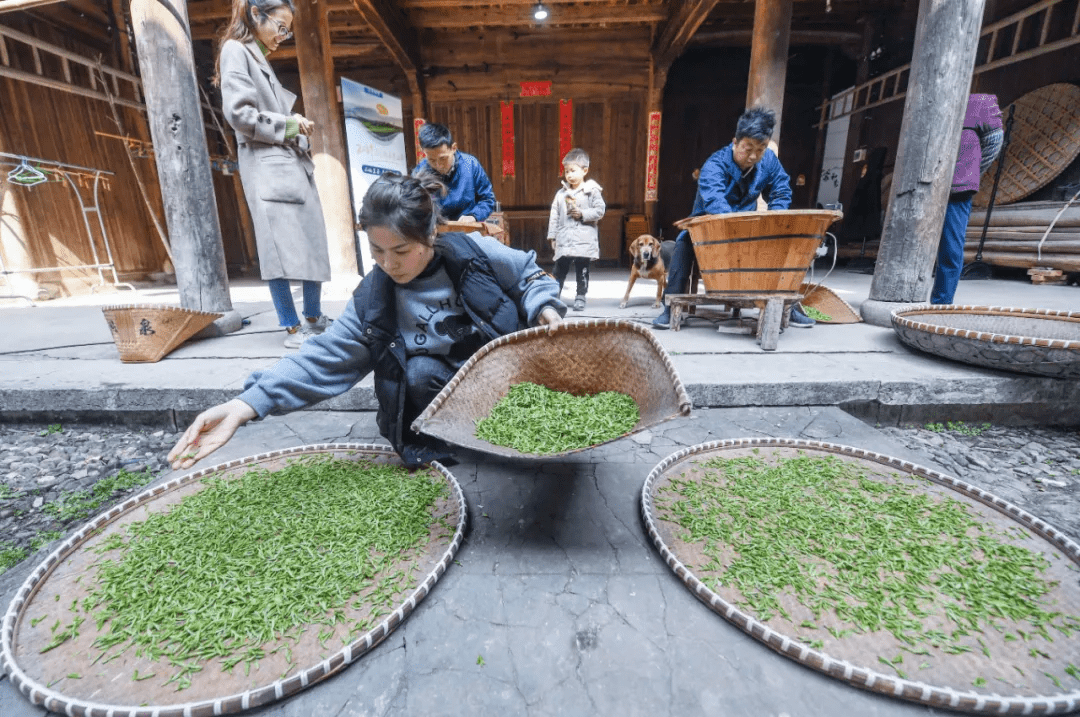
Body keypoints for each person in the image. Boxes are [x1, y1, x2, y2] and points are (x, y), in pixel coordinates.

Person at [168, 172, 566, 471]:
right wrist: (245, 405)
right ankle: (458, 436)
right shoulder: (374, 298)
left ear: (430, 234)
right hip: (450, 394)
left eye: (402, 250)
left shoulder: (474, 252)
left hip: (508, 376)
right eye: (377, 250)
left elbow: (529, 276)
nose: (389, 264)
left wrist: (544, 308)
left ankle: (511, 424)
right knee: (419, 370)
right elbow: (323, 357)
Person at [216, 0, 333, 349]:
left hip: (286, 161)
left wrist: (292, 126)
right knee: (277, 250)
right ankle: (293, 327)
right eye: (280, 27)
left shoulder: (255, 55)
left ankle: (312, 315)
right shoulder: (235, 50)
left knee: (313, 239)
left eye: (288, 30)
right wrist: (289, 123)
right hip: (267, 164)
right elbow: (239, 114)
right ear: (256, 15)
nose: (284, 36)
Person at [652, 107, 808, 329]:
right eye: (748, 148)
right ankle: (669, 308)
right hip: (709, 227)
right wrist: (740, 229)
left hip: (748, 227)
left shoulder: (769, 161)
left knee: (779, 242)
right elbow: (717, 204)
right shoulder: (714, 166)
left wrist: (774, 221)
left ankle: (787, 307)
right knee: (683, 243)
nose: (753, 156)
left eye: (761, 149)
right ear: (735, 142)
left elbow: (781, 191)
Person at [930, 94, 1003, 305]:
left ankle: (941, 304)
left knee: (950, 249)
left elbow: (994, 141)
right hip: (923, 187)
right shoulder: (926, 102)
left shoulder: (977, 103)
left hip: (957, 190)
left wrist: (969, 173)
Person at [547, 148, 606, 311]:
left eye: (573, 171)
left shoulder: (592, 191)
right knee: (559, 269)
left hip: (583, 240)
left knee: (582, 270)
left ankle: (580, 296)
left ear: (584, 170)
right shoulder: (561, 194)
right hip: (565, 238)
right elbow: (554, 214)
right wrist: (552, 236)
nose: (569, 175)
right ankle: (554, 295)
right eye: (566, 171)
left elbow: (600, 210)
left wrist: (582, 214)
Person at [412, 123, 497, 222]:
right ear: (424, 152)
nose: (438, 165)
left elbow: (487, 199)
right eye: (432, 160)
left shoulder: (470, 165)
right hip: (436, 231)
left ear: (453, 148)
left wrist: (473, 216)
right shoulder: (420, 171)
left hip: (467, 228)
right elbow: (414, 205)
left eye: (443, 158)